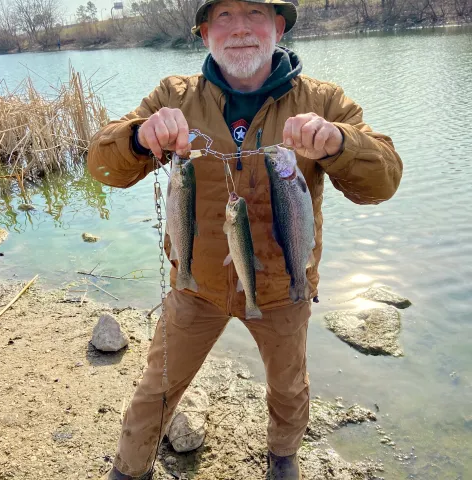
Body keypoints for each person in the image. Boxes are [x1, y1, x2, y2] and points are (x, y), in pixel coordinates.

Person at [88, 0, 403, 478]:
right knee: (158, 387)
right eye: (224, 17)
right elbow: (103, 167)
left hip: (284, 287)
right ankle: (130, 469)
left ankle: (283, 456)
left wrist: (341, 143)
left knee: (288, 387)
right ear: (204, 33)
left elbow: (383, 183)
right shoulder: (175, 96)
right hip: (195, 286)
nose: (240, 30)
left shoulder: (323, 101)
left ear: (278, 27)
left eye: (255, 13)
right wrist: (137, 137)